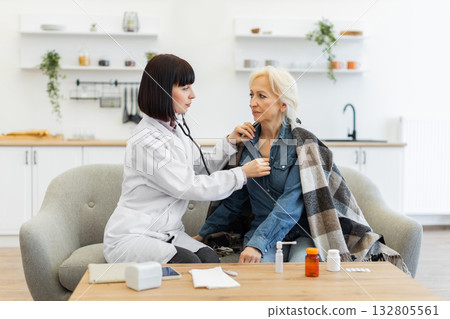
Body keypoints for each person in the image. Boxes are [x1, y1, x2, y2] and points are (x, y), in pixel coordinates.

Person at [103, 54, 271, 265]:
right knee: (188, 262)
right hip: (134, 236)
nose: (193, 95)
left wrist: (229, 142)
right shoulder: (146, 140)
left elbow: (199, 169)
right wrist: (242, 174)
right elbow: (188, 186)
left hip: (168, 232)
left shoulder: (176, 129)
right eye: (185, 88)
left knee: (209, 258)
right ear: (162, 90)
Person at [194, 66, 314, 263]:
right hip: (259, 231)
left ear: (283, 104)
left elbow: (290, 205)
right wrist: (203, 234)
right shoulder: (245, 144)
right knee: (258, 279)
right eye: (251, 95)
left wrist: (258, 244)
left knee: (301, 272)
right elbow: (235, 200)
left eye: (261, 96)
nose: (252, 103)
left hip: (300, 234)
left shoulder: (301, 144)